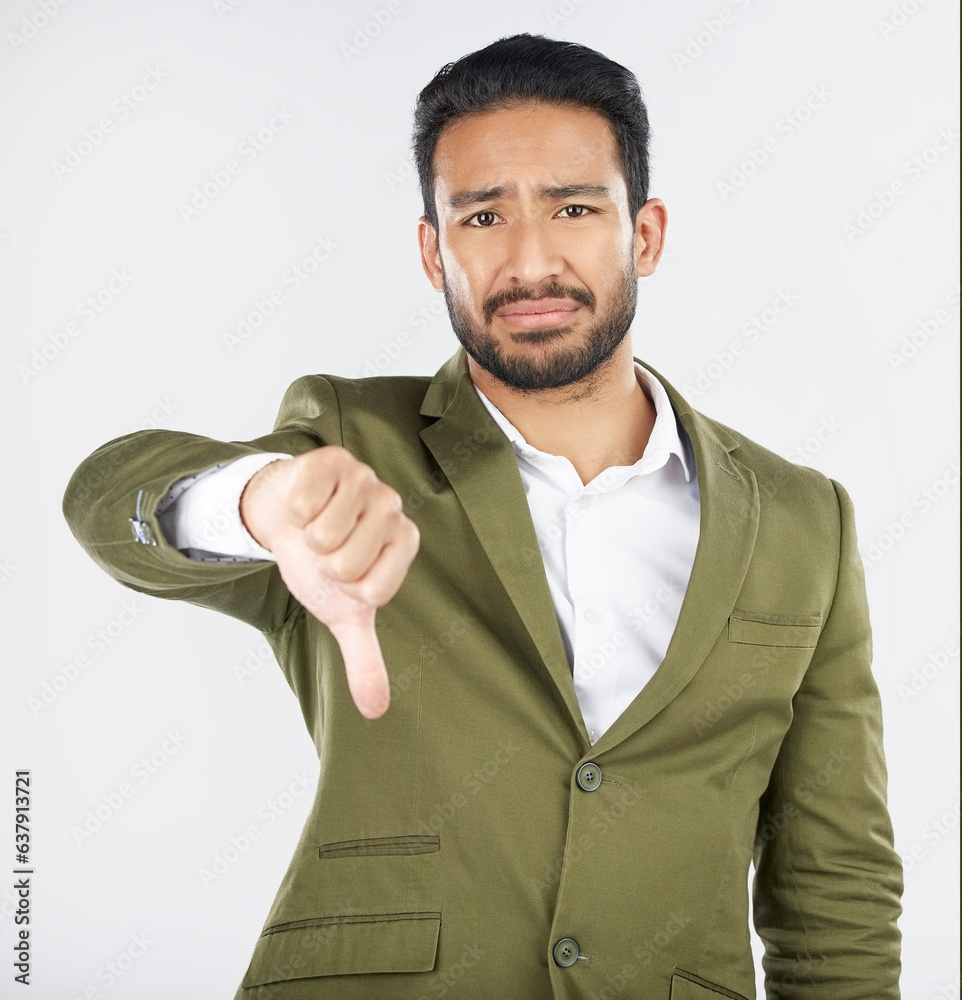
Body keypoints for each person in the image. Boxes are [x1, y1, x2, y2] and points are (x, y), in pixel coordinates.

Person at [63, 32, 902, 1000]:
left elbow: (833, 878)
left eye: (574, 207)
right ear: (432, 251)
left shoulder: (804, 519)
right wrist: (255, 502)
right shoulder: (349, 446)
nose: (529, 259)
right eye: (481, 217)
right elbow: (104, 495)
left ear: (645, 234)